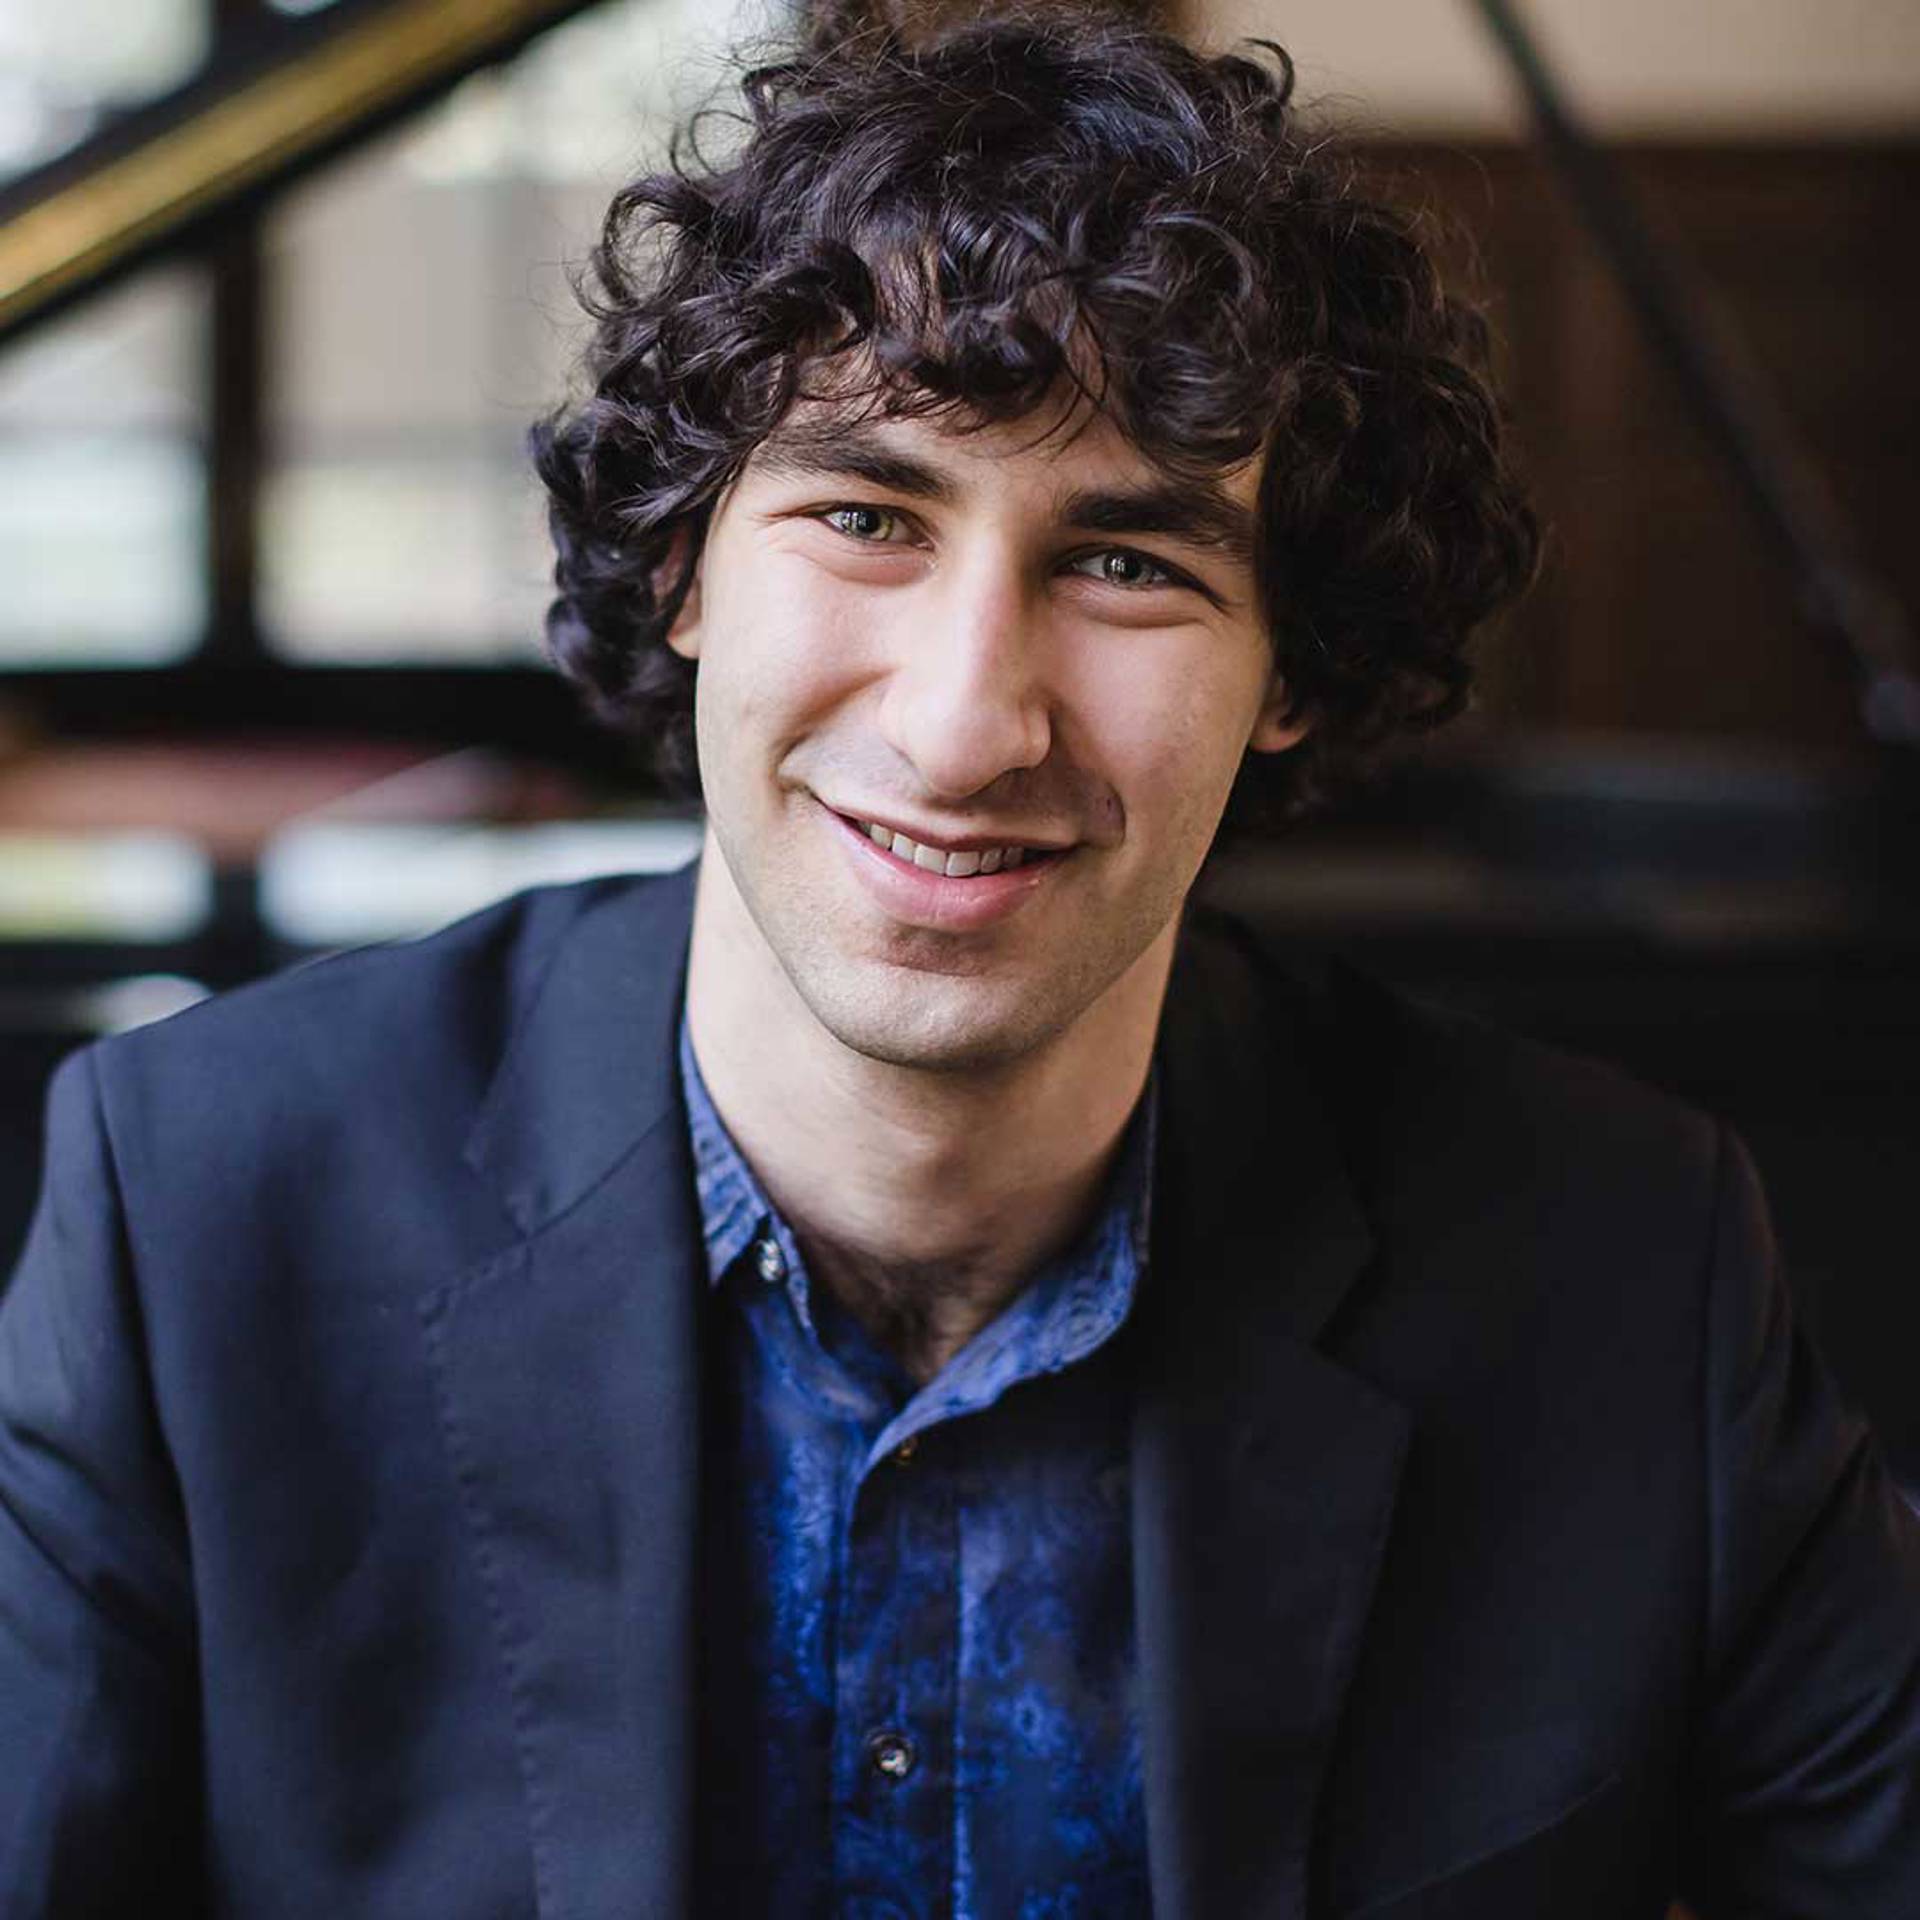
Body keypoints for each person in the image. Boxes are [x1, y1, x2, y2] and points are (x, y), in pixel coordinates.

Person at [4, 6, 1917, 1916]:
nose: (963, 723)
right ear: (684, 565)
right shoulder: (198, 1217)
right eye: (863, 515)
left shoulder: (1624, 1265)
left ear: (1295, 674)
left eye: (1128, 565)